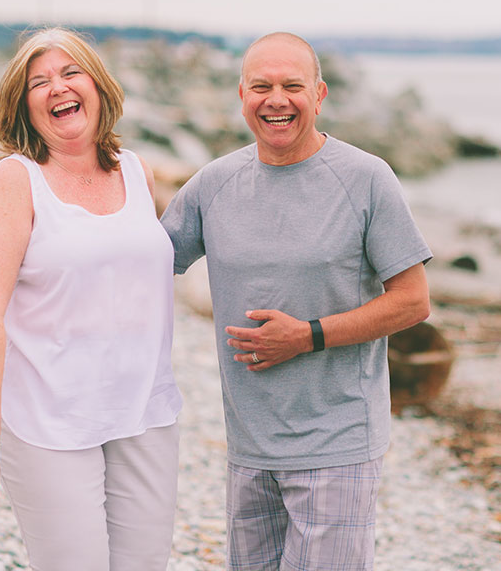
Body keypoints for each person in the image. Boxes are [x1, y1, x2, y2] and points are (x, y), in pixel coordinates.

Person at [160, 32, 432, 570]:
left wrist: (307, 335)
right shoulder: (214, 184)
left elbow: (412, 302)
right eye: (261, 86)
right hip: (249, 445)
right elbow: (140, 265)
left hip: (339, 443)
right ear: (241, 95)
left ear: (320, 93)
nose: (276, 99)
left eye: (292, 86)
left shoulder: (365, 178)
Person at [0, 27, 182, 571]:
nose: (58, 87)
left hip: (144, 410)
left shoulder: (137, 171)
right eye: (39, 81)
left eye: (71, 72)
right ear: (23, 106)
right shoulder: (16, 180)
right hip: (48, 418)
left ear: (98, 87)